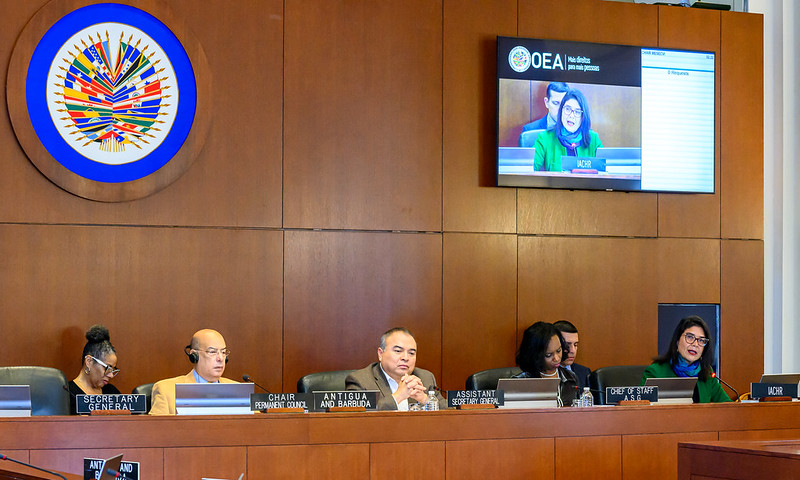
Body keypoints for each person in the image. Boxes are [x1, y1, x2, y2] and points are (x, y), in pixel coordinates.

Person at [346, 327, 447, 410]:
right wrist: (398, 396)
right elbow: (356, 416)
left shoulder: (425, 377)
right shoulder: (361, 380)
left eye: (411, 353)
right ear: (381, 354)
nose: (405, 358)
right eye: (398, 351)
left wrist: (425, 399)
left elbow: (450, 411)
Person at [641, 315, 731, 403]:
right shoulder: (655, 372)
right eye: (690, 337)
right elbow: (641, 407)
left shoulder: (707, 373)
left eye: (701, 340)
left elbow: (727, 406)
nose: (695, 344)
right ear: (677, 341)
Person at [149, 329, 238, 415]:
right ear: (194, 356)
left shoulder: (238, 390)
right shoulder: (166, 390)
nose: (221, 358)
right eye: (212, 352)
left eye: (223, 352)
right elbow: (158, 425)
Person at [533, 88, 604, 172]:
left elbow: (605, 170)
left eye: (577, 112)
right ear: (561, 111)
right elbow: (528, 168)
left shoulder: (594, 139)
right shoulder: (545, 138)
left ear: (583, 117)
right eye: (567, 109)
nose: (571, 115)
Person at [513, 322, 579, 407]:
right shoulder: (520, 382)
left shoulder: (570, 377)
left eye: (558, 350)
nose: (556, 358)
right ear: (535, 355)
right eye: (548, 355)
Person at [68, 325, 121, 414]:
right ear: (89, 361)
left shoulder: (111, 392)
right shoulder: (68, 395)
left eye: (112, 370)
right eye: (107, 368)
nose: (111, 375)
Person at [553, 320, 591, 390]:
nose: (572, 351)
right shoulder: (546, 373)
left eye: (575, 345)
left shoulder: (584, 372)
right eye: (567, 345)